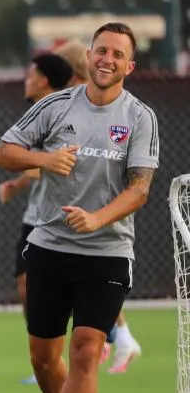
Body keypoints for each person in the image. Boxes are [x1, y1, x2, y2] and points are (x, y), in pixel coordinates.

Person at [0, 22, 159, 393]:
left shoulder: (140, 118)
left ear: (130, 65)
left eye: (117, 54)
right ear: (88, 56)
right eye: (100, 50)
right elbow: (3, 153)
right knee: (44, 359)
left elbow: (140, 189)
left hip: (108, 249)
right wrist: (44, 160)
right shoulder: (54, 106)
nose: (107, 59)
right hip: (48, 245)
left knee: (86, 348)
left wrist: (98, 218)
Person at [53, 40, 142, 372]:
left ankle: (111, 340)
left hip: (86, 220)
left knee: (85, 284)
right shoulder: (62, 105)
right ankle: (112, 339)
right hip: (64, 217)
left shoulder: (105, 109)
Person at [0, 53, 74, 385]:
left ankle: (110, 335)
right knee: (25, 285)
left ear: (42, 79)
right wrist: (18, 182)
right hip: (36, 219)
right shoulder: (34, 115)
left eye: (30, 73)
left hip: (64, 220)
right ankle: (43, 356)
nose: (26, 78)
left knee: (68, 291)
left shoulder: (68, 113)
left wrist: (25, 170)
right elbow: (19, 158)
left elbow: (61, 163)